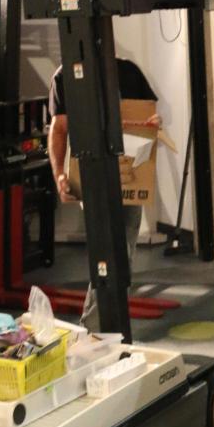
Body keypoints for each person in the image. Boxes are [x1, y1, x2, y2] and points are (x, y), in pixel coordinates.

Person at [47, 56, 158, 330]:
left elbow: (148, 118)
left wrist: (154, 123)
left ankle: (102, 329)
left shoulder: (129, 71)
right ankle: (96, 330)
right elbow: (59, 128)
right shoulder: (66, 76)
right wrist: (59, 174)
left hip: (129, 174)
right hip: (92, 174)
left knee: (122, 254)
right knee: (107, 254)